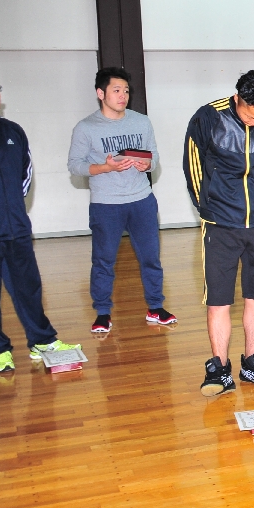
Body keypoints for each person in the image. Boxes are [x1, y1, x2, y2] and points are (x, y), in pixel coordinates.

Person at [183, 69, 254, 397]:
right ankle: (218, 367)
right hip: (220, 223)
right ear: (237, 99)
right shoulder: (208, 117)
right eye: (249, 116)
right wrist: (210, 207)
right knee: (218, 299)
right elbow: (194, 165)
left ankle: (251, 362)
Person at [0, 68, 80, 374]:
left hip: (16, 230)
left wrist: (11, 207)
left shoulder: (13, 131)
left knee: (29, 288)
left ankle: (42, 340)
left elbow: (25, 176)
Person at [67, 66, 174, 335]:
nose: (123, 95)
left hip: (142, 200)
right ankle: (102, 313)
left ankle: (156, 307)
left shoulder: (141, 122)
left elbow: (154, 157)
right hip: (106, 204)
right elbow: (75, 165)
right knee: (103, 261)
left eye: (126, 90)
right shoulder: (86, 128)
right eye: (116, 90)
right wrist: (105, 167)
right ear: (100, 93)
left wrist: (147, 165)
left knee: (151, 258)